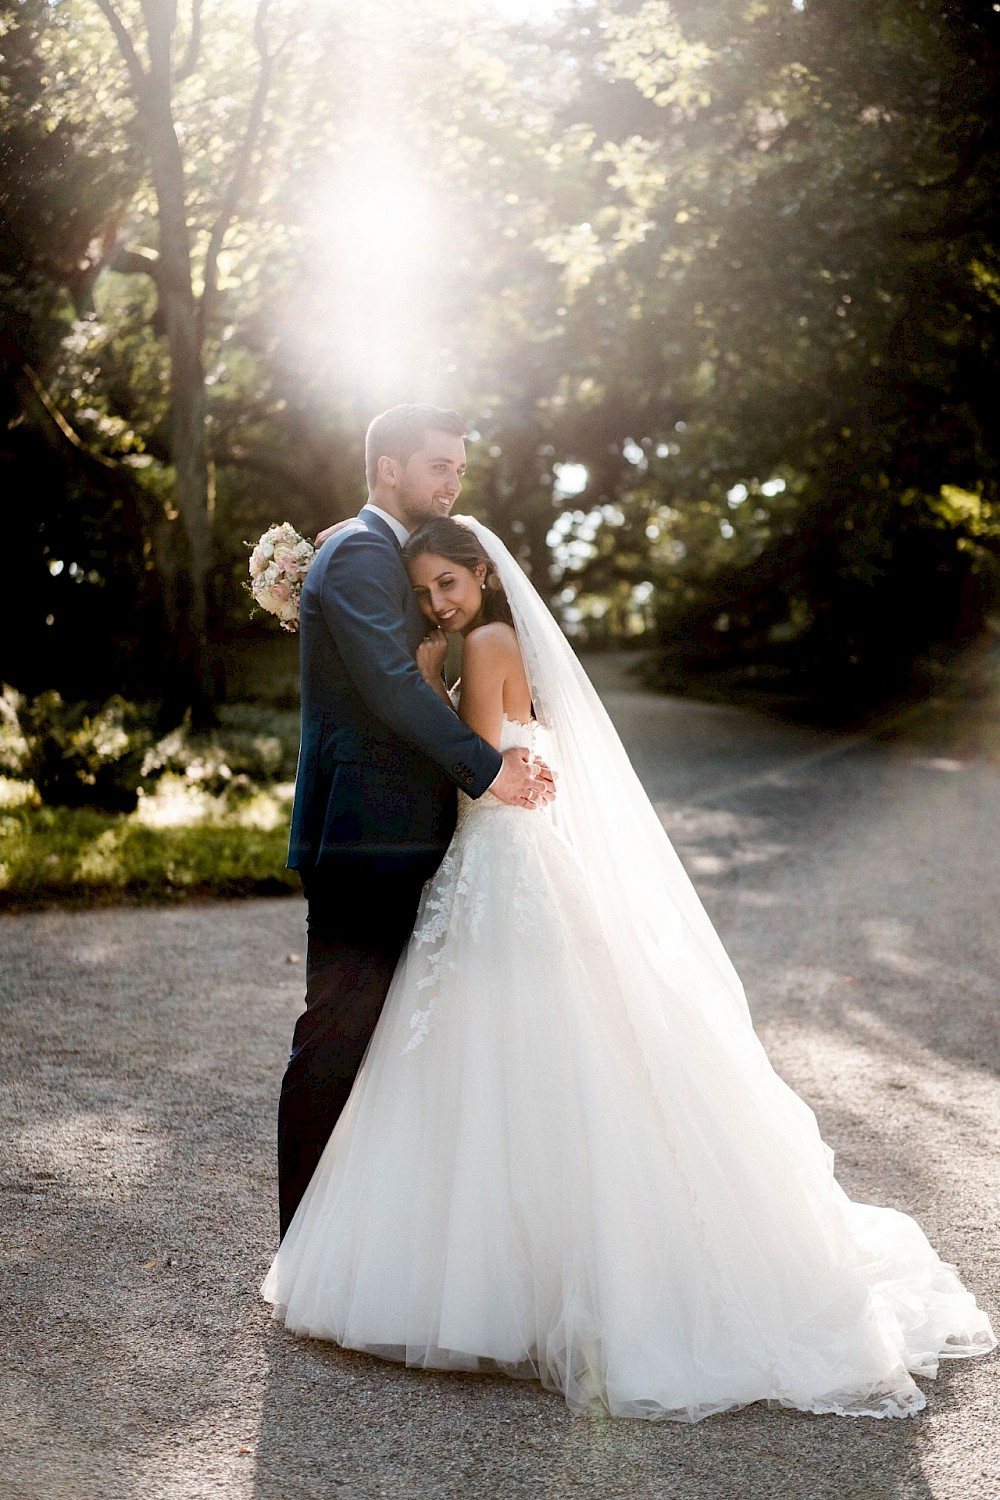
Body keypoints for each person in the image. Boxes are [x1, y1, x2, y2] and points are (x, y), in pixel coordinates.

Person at [264, 514, 995, 1421]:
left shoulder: (487, 642)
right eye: (421, 593)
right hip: (508, 859)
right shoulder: (495, 635)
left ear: (483, 577)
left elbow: (470, 770)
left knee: (499, 1059)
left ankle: (512, 1285)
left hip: (501, 866)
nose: (435, 602)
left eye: (447, 584)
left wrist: (420, 681)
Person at [277, 407, 554, 1240]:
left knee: (394, 1037)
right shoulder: (361, 554)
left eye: (459, 471)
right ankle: (304, 1243)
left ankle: (365, 1242)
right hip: (366, 834)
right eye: (437, 466)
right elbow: (395, 685)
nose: (452, 483)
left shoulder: (379, 552)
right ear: (388, 468)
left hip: (403, 834)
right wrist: (489, 768)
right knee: (337, 1032)